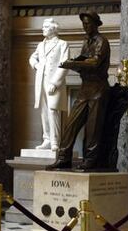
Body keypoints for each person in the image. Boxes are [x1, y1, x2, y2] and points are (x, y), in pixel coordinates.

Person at [47, 12, 110, 171]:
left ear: (96, 24)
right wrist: (72, 63)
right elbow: (83, 58)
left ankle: (90, 160)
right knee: (70, 124)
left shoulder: (102, 41)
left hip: (98, 89)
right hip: (85, 88)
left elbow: (95, 62)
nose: (85, 26)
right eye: (84, 24)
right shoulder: (86, 42)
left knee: (93, 128)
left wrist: (74, 64)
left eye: (88, 23)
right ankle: (63, 158)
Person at [29, 18, 69, 151]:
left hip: (53, 83)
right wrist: (36, 64)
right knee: (44, 111)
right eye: (43, 27)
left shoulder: (62, 44)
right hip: (41, 81)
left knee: (53, 111)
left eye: (45, 27)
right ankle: (46, 139)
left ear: (53, 29)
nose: (43, 29)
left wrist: (55, 83)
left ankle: (55, 141)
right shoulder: (41, 45)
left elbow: (64, 64)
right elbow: (32, 57)